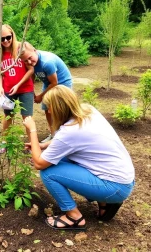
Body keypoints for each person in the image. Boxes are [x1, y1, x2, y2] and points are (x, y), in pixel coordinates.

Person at [23, 85, 135, 230]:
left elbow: (39, 163)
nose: (48, 111)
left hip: (115, 186)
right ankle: (105, 204)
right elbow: (71, 141)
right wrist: (43, 146)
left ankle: (74, 217)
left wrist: (32, 130)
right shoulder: (88, 111)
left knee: (48, 172)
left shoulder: (69, 132)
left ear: (58, 108)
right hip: (124, 179)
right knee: (60, 159)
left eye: (49, 107)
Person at [19, 42, 72, 143]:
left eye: (30, 58)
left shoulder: (47, 62)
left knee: (59, 109)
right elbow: (32, 76)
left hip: (62, 83)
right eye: (26, 61)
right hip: (48, 83)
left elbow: (54, 83)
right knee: (47, 109)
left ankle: (65, 134)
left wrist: (40, 96)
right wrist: (32, 91)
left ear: (35, 50)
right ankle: (53, 134)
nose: (29, 62)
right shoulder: (29, 62)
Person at [0, 25, 34, 152]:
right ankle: (4, 142)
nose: (5, 41)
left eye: (8, 37)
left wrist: (18, 84)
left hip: (25, 89)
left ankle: (32, 144)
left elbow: (31, 69)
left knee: (27, 117)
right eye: (2, 38)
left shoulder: (21, 49)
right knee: (8, 116)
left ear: (12, 35)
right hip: (8, 90)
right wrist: (0, 86)